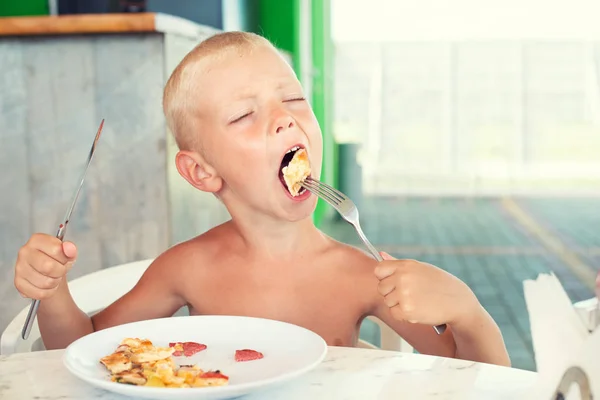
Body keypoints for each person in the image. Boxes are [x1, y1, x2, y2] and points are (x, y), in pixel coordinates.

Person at [13, 31, 510, 366]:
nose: (285, 118)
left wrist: (468, 312)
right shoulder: (188, 267)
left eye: (293, 99)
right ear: (201, 172)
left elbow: (479, 380)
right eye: (243, 115)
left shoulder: (363, 276)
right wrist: (52, 291)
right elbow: (82, 353)